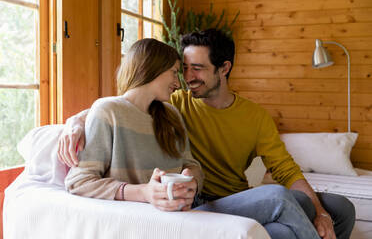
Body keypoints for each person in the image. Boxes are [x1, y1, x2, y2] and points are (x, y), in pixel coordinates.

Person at [59, 31, 355, 239]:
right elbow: (124, 103)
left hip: (231, 197)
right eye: (181, 69)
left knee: (335, 208)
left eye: (196, 69)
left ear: (224, 68)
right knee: (281, 210)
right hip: (199, 202)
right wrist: (76, 121)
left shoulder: (179, 113)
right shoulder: (174, 102)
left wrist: (321, 213)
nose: (185, 79)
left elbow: (285, 169)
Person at [64, 38, 203, 212]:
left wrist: (192, 184)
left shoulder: (172, 115)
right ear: (152, 68)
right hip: (139, 219)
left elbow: (192, 165)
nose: (177, 83)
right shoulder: (108, 112)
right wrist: (144, 192)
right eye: (174, 72)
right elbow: (78, 182)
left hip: (186, 214)